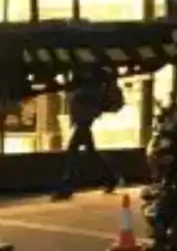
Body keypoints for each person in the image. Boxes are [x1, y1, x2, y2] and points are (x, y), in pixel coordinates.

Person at [52, 72, 123, 201]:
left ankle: (66, 187)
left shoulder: (88, 79)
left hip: (84, 119)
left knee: (73, 152)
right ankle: (111, 177)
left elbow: (84, 98)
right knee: (89, 152)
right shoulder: (90, 79)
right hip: (85, 117)